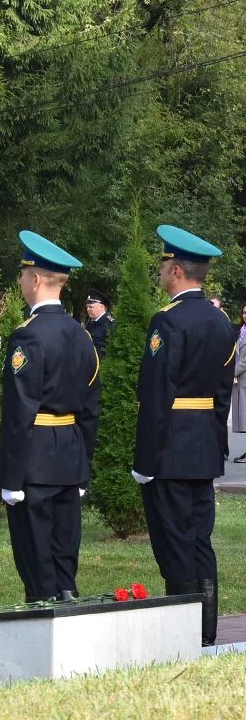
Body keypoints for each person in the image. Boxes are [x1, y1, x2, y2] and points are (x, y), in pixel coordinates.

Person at [133, 224, 234, 646]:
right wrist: (217, 447)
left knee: (173, 542)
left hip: (170, 449)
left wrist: (144, 461)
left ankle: (183, 635)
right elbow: (223, 397)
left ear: (176, 270)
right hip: (202, 448)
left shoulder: (167, 321)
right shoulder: (221, 322)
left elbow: (157, 397)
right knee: (199, 540)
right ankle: (206, 634)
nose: (160, 273)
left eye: (163, 266)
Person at [0, 232, 101, 603]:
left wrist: (10, 478)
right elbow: (90, 410)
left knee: (36, 557)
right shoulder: (81, 336)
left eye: (23, 274)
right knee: (64, 556)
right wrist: (82, 466)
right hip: (68, 459)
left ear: (36, 279)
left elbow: (18, 413)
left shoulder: (28, 337)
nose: (20, 281)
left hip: (35, 463)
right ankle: (68, 612)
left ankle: (43, 633)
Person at [231, 302, 246, 463]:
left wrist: (232, 372)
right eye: (244, 313)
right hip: (240, 379)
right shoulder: (240, 331)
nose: (245, 316)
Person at [84, 289, 114, 356]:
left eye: (90, 307)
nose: (87, 309)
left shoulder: (109, 324)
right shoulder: (90, 322)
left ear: (102, 307)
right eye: (87, 307)